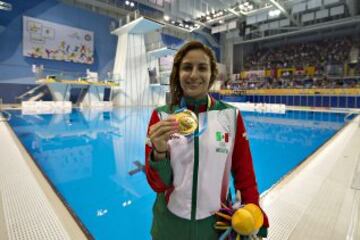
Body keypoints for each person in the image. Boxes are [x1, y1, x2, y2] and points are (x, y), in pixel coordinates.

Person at [145, 41, 269, 240]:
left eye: (202, 68)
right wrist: (159, 153)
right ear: (177, 73)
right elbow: (158, 185)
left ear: (212, 74)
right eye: (187, 67)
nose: (194, 75)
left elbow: (245, 176)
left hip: (215, 229)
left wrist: (254, 219)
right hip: (169, 228)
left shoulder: (231, 116)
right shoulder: (161, 117)